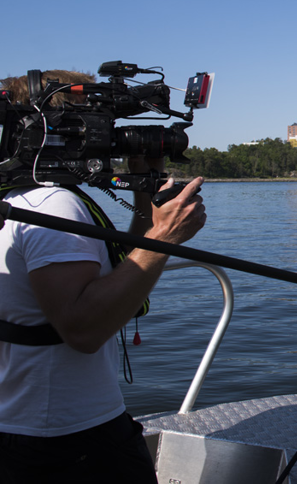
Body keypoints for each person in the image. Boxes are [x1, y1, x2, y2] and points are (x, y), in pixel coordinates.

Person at [0, 70, 207, 484]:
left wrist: (145, 198)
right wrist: (165, 236)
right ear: (65, 131)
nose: (111, 137)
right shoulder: (52, 205)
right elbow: (83, 328)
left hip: (33, 427)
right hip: (66, 439)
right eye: (101, 125)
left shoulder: (20, 197)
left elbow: (116, 275)